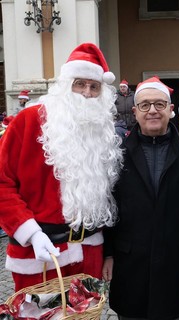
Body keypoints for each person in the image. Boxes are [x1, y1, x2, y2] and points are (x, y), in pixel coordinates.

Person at [0, 43, 123, 291]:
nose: (87, 93)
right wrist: (31, 234)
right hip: (38, 256)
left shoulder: (102, 132)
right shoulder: (28, 121)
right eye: (79, 83)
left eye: (94, 86)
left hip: (89, 254)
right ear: (66, 85)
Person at [103, 76, 179, 320]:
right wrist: (108, 253)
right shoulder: (117, 154)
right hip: (129, 265)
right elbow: (109, 207)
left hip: (173, 266)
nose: (152, 110)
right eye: (145, 105)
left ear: (171, 109)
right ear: (135, 112)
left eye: (159, 104)